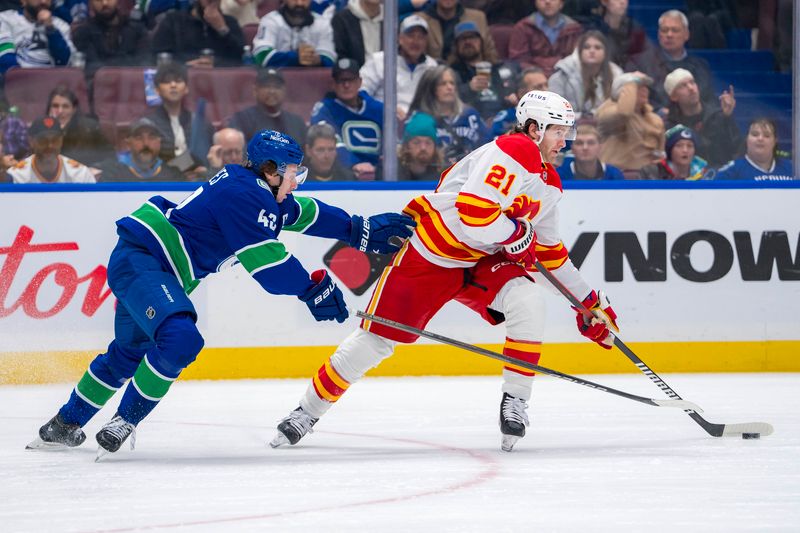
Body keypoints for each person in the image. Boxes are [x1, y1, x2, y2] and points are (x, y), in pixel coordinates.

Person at [26, 128, 417, 456]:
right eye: (293, 171)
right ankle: (124, 420)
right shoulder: (247, 196)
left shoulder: (258, 190)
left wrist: (357, 228)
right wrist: (310, 289)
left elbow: (306, 213)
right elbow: (269, 267)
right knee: (180, 339)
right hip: (145, 263)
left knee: (126, 355)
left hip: (147, 266)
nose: (298, 180)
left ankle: (63, 425)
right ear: (270, 170)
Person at [270, 91, 620, 453]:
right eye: (557, 132)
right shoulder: (516, 149)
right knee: (373, 341)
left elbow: (548, 251)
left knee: (527, 300)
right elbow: (474, 212)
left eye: (567, 133)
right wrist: (516, 234)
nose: (565, 142)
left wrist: (588, 302)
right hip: (431, 254)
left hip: (480, 260)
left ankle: (515, 402)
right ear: (533, 128)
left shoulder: (548, 182)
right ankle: (306, 412)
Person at [310, 57, 383, 181]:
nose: (346, 85)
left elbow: (392, 143)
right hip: (344, 175)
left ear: (360, 82)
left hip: (381, 176)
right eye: (341, 81)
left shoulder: (378, 108)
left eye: (351, 80)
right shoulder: (325, 110)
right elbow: (331, 142)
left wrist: (382, 166)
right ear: (333, 84)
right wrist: (354, 163)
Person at [625, 9, 714, 111]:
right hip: (656, 123)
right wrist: (658, 112)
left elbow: (709, 100)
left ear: (686, 35)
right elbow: (635, 100)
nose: (669, 35)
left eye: (675, 30)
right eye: (664, 30)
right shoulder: (638, 63)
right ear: (659, 34)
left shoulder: (701, 66)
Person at [406, 64, 491, 166]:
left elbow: (487, 145)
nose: (449, 87)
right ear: (431, 89)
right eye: (443, 84)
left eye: (452, 83)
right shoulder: (420, 120)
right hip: (435, 177)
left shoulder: (470, 115)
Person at [359, 14, 439, 121]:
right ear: (400, 38)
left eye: (420, 37)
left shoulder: (432, 66)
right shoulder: (379, 60)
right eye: (410, 36)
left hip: (418, 126)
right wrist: (386, 109)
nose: (415, 42)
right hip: (382, 121)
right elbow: (360, 92)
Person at [144, 62, 215, 172]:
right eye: (167, 82)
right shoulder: (147, 125)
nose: (173, 85)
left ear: (186, 88)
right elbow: (146, 165)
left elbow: (208, 157)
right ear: (156, 90)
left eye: (178, 81)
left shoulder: (200, 123)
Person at [662, 68, 740, 168]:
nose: (691, 88)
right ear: (673, 97)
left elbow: (735, 150)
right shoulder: (671, 127)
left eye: (692, 82)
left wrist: (727, 118)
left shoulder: (718, 116)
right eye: (683, 86)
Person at [595, 71, 665, 173]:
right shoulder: (607, 111)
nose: (645, 90)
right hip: (615, 178)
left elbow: (660, 153)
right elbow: (624, 113)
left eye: (646, 87)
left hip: (647, 178)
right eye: (639, 86)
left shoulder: (655, 119)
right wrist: (631, 81)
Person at [547, 30, 622, 119]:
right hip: (568, 127)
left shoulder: (616, 75)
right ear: (579, 52)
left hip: (604, 126)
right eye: (586, 47)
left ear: (605, 53)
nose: (592, 51)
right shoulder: (561, 76)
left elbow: (620, 108)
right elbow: (554, 112)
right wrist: (584, 117)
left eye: (597, 47)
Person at [449, 21, 515, 120]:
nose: (467, 42)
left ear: (481, 42)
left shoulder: (498, 68)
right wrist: (469, 88)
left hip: (502, 120)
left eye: (472, 37)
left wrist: (512, 98)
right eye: (462, 39)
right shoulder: (452, 72)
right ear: (456, 45)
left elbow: (510, 91)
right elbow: (448, 99)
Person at [151, 0, 245, 67]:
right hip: (182, 78)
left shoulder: (230, 23)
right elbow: (158, 56)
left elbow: (240, 59)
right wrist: (185, 65)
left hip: (220, 81)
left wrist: (222, 28)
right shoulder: (174, 20)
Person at [71, 0, 148, 80]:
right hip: (98, 87)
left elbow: (144, 64)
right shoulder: (83, 33)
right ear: (91, 2)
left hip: (133, 85)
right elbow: (91, 67)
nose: (104, 3)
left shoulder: (137, 30)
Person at [228, 68, 307, 145]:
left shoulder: (297, 123)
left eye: (277, 87)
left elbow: (305, 154)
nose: (272, 91)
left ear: (284, 91)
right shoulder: (241, 120)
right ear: (255, 90)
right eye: (266, 86)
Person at [8, 117, 96, 184]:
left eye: (55, 140)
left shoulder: (81, 174)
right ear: (31, 141)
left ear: (62, 140)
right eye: (43, 140)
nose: (50, 145)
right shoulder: (16, 176)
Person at [508, 0, 583, 76]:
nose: (547, 2)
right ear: (535, 2)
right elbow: (518, 60)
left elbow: (577, 58)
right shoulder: (523, 28)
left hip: (565, 77)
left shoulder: (574, 28)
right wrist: (537, 73)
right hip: (533, 79)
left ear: (561, 3)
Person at [46, 86, 114, 168]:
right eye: (55, 106)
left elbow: (111, 158)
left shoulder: (89, 128)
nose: (60, 111)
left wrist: (95, 169)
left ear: (74, 109)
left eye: (65, 106)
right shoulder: (41, 131)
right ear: (49, 108)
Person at [253, 0, 336, 67]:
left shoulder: (322, 24)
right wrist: (295, 57)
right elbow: (261, 55)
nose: (299, 3)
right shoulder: (271, 20)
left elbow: (330, 59)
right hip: (276, 80)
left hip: (313, 83)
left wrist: (318, 60)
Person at [98, 117, 185, 182]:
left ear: (159, 142)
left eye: (152, 137)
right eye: (139, 137)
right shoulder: (112, 175)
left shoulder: (174, 176)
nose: (146, 143)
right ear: (128, 143)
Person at [0, 0, 75, 72]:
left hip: (52, 80)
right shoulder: (5, 19)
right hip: (17, 80)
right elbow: (4, 57)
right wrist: (24, 79)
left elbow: (64, 62)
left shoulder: (61, 26)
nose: (43, 1)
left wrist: (50, 29)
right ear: (23, 1)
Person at [715, 118, 794, 181]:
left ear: (775, 141)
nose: (760, 139)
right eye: (755, 134)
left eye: (766, 135)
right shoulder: (730, 172)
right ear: (747, 139)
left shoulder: (792, 169)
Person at [419, 0, 496, 63]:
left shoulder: (478, 17)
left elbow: (489, 52)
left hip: (471, 74)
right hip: (433, 75)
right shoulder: (420, 20)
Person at [585, 0, 647, 68]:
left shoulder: (635, 29)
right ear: (604, 2)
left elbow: (643, 60)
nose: (622, 2)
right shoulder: (592, 31)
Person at [491, 66, 549, 137]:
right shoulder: (506, 118)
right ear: (522, 93)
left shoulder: (557, 115)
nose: (546, 91)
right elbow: (495, 144)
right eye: (539, 87)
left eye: (546, 85)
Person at [638, 124, 712, 180]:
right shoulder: (651, 172)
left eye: (690, 146)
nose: (685, 150)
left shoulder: (705, 174)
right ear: (670, 150)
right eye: (679, 145)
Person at [558, 123, 623, 180]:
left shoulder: (614, 174)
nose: (585, 148)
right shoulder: (559, 175)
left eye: (591, 143)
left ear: (600, 147)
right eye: (579, 143)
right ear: (572, 148)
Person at [331, 0, 383, 68]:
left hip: (389, 76)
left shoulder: (392, 20)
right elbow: (341, 56)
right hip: (354, 76)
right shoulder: (342, 19)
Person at [397, 111, 442, 181]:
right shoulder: (393, 172)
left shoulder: (444, 176)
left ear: (435, 146)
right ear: (407, 146)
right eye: (416, 142)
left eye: (428, 142)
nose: (423, 148)